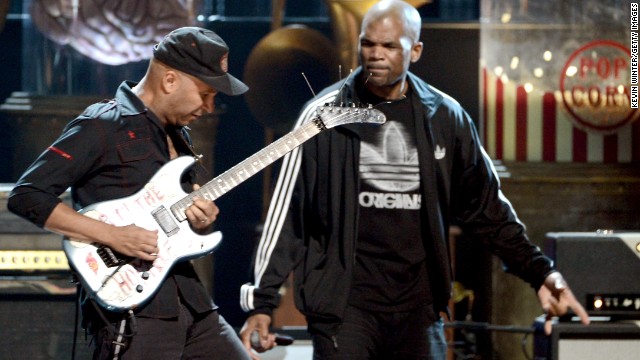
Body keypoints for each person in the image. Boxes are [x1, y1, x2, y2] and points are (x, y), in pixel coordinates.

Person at [238, 1, 590, 359]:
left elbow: (488, 209)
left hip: (418, 311)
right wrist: (261, 303)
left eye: (389, 46)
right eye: (368, 44)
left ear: (416, 50)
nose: (375, 55)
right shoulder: (323, 115)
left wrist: (541, 274)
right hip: (345, 311)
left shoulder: (445, 117)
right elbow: (288, 214)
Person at [8, 27, 251, 360]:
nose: (210, 106)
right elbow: (28, 195)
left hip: (193, 303)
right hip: (134, 313)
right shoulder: (103, 125)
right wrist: (113, 235)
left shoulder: (182, 137)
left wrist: (200, 221)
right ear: (169, 81)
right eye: (206, 93)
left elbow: (176, 226)